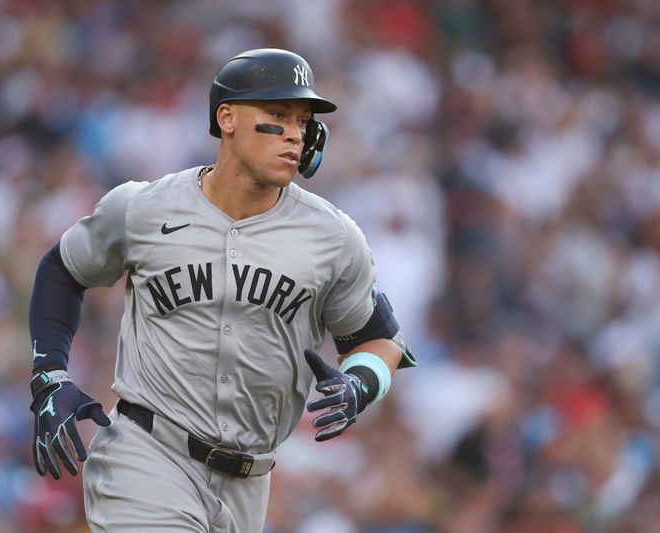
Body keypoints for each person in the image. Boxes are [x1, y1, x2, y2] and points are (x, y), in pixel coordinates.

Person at [28, 48, 417, 533]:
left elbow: (381, 340)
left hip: (250, 482)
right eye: (278, 115)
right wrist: (50, 374)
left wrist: (360, 383)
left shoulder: (333, 237)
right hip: (147, 456)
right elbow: (63, 268)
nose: (296, 132)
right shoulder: (145, 208)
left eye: (303, 119)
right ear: (226, 118)